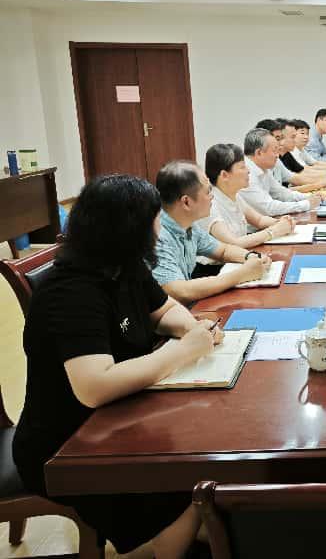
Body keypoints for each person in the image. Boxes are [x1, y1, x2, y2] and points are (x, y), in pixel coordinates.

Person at [12, 174, 219, 558]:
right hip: (68, 445)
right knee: (186, 478)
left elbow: (164, 310)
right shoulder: (71, 291)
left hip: (121, 418)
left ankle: (205, 529)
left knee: (204, 450)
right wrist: (182, 352)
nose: (160, 230)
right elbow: (95, 387)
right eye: (155, 221)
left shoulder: (124, 265)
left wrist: (192, 329)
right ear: (130, 230)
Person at [152, 160, 271, 303]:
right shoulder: (158, 235)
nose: (212, 196)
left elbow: (223, 251)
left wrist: (251, 257)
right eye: (208, 191)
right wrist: (242, 274)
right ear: (186, 202)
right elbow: (179, 291)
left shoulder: (188, 225)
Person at [196, 144, 296, 270]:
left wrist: (282, 222)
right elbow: (233, 243)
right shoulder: (210, 203)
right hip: (214, 269)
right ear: (224, 175)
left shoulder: (233, 195)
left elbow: (259, 220)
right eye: (242, 167)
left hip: (238, 260)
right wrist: (274, 231)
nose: (248, 171)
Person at [238, 128, 322, 217]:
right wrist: (306, 204)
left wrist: (309, 197)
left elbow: (281, 193)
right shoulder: (246, 173)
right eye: (274, 151)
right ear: (259, 152)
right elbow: (268, 208)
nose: (277, 156)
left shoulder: (263, 168)